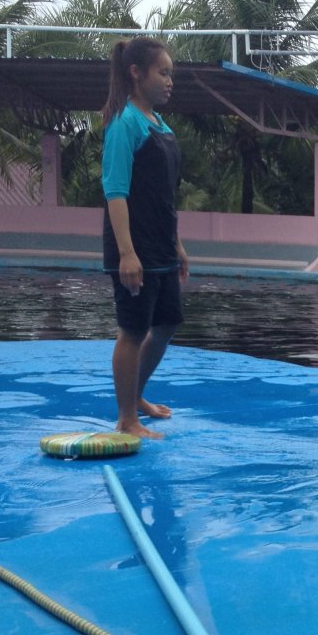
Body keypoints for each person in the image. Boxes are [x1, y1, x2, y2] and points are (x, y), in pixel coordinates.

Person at [100, 36, 189, 439]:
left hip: (160, 245)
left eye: (172, 74)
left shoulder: (160, 124)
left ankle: (136, 397)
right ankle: (126, 419)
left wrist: (178, 245)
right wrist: (126, 253)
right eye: (163, 72)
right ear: (136, 73)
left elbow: (164, 195)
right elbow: (115, 190)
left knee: (167, 322)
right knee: (133, 330)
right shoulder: (125, 123)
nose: (170, 81)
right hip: (133, 247)